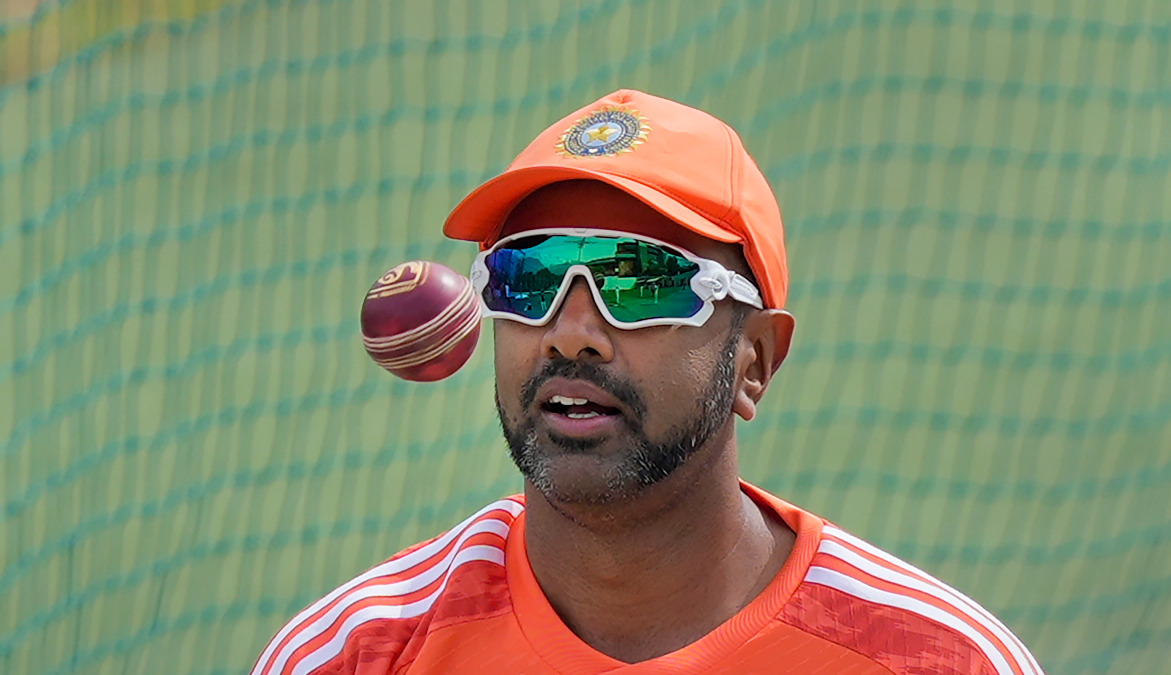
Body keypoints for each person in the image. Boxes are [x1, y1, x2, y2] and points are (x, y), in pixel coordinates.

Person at [252, 90, 1044, 674]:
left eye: (641, 282)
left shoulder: (937, 659)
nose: (571, 331)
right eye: (530, 278)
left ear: (756, 358)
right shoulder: (354, 653)